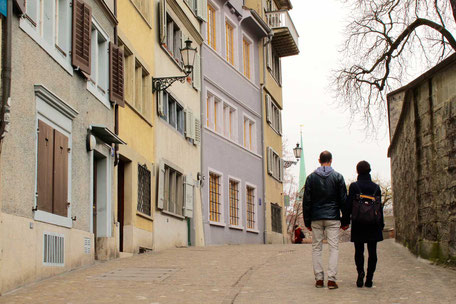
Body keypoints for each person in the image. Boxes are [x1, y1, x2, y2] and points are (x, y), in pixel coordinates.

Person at [303, 151, 348, 289]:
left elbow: (307, 201)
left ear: (319, 160)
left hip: (316, 217)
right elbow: (343, 200)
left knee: (316, 248)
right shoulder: (338, 177)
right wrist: (345, 220)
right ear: (331, 160)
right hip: (333, 217)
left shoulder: (311, 178)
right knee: (333, 248)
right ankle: (332, 279)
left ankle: (319, 278)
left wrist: (307, 221)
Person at [341, 161, 384, 288]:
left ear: (357, 171)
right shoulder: (376, 188)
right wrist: (381, 224)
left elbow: (349, 205)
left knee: (359, 251)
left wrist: (345, 221)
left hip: (359, 222)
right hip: (373, 223)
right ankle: (369, 278)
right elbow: (379, 208)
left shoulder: (354, 187)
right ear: (369, 171)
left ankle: (360, 272)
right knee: (373, 252)